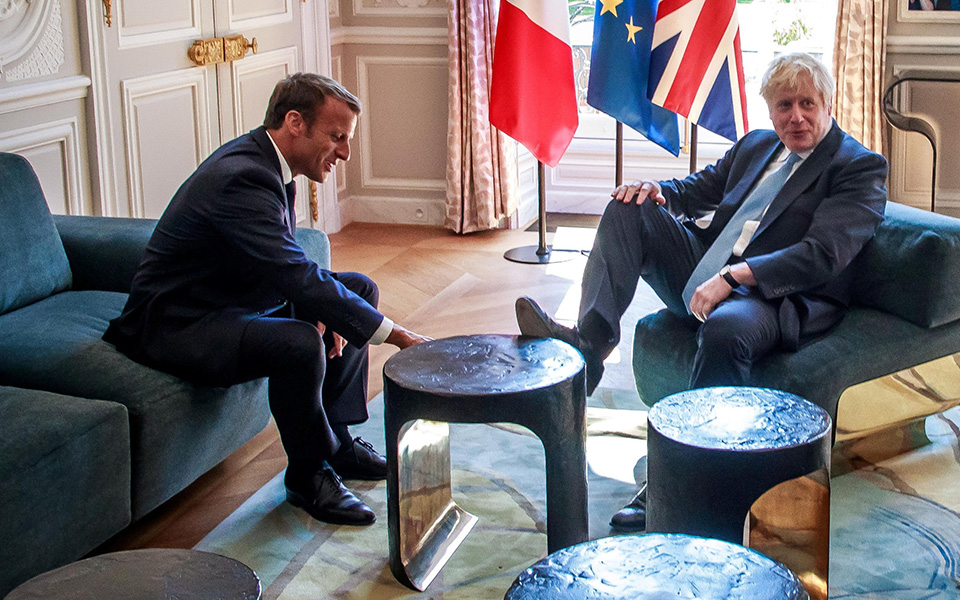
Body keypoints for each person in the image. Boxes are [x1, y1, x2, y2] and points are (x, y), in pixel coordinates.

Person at [515, 53, 888, 531]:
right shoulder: (757, 145)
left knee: (726, 331)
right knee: (627, 208)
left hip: (774, 294)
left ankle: (677, 479)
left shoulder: (858, 166)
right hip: (708, 267)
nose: (796, 117)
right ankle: (589, 347)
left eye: (807, 104)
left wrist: (735, 277)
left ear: (827, 104)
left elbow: (822, 255)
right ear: (770, 111)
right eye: (784, 105)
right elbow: (697, 190)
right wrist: (657, 190)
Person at [103, 73, 429, 526]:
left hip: (233, 299)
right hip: (179, 323)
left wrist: (321, 307)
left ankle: (338, 440)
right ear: (295, 122)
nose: (345, 153)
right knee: (299, 343)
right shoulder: (242, 178)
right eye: (337, 137)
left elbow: (279, 260)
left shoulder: (269, 162)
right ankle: (307, 473)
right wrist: (398, 337)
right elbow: (291, 272)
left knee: (359, 290)